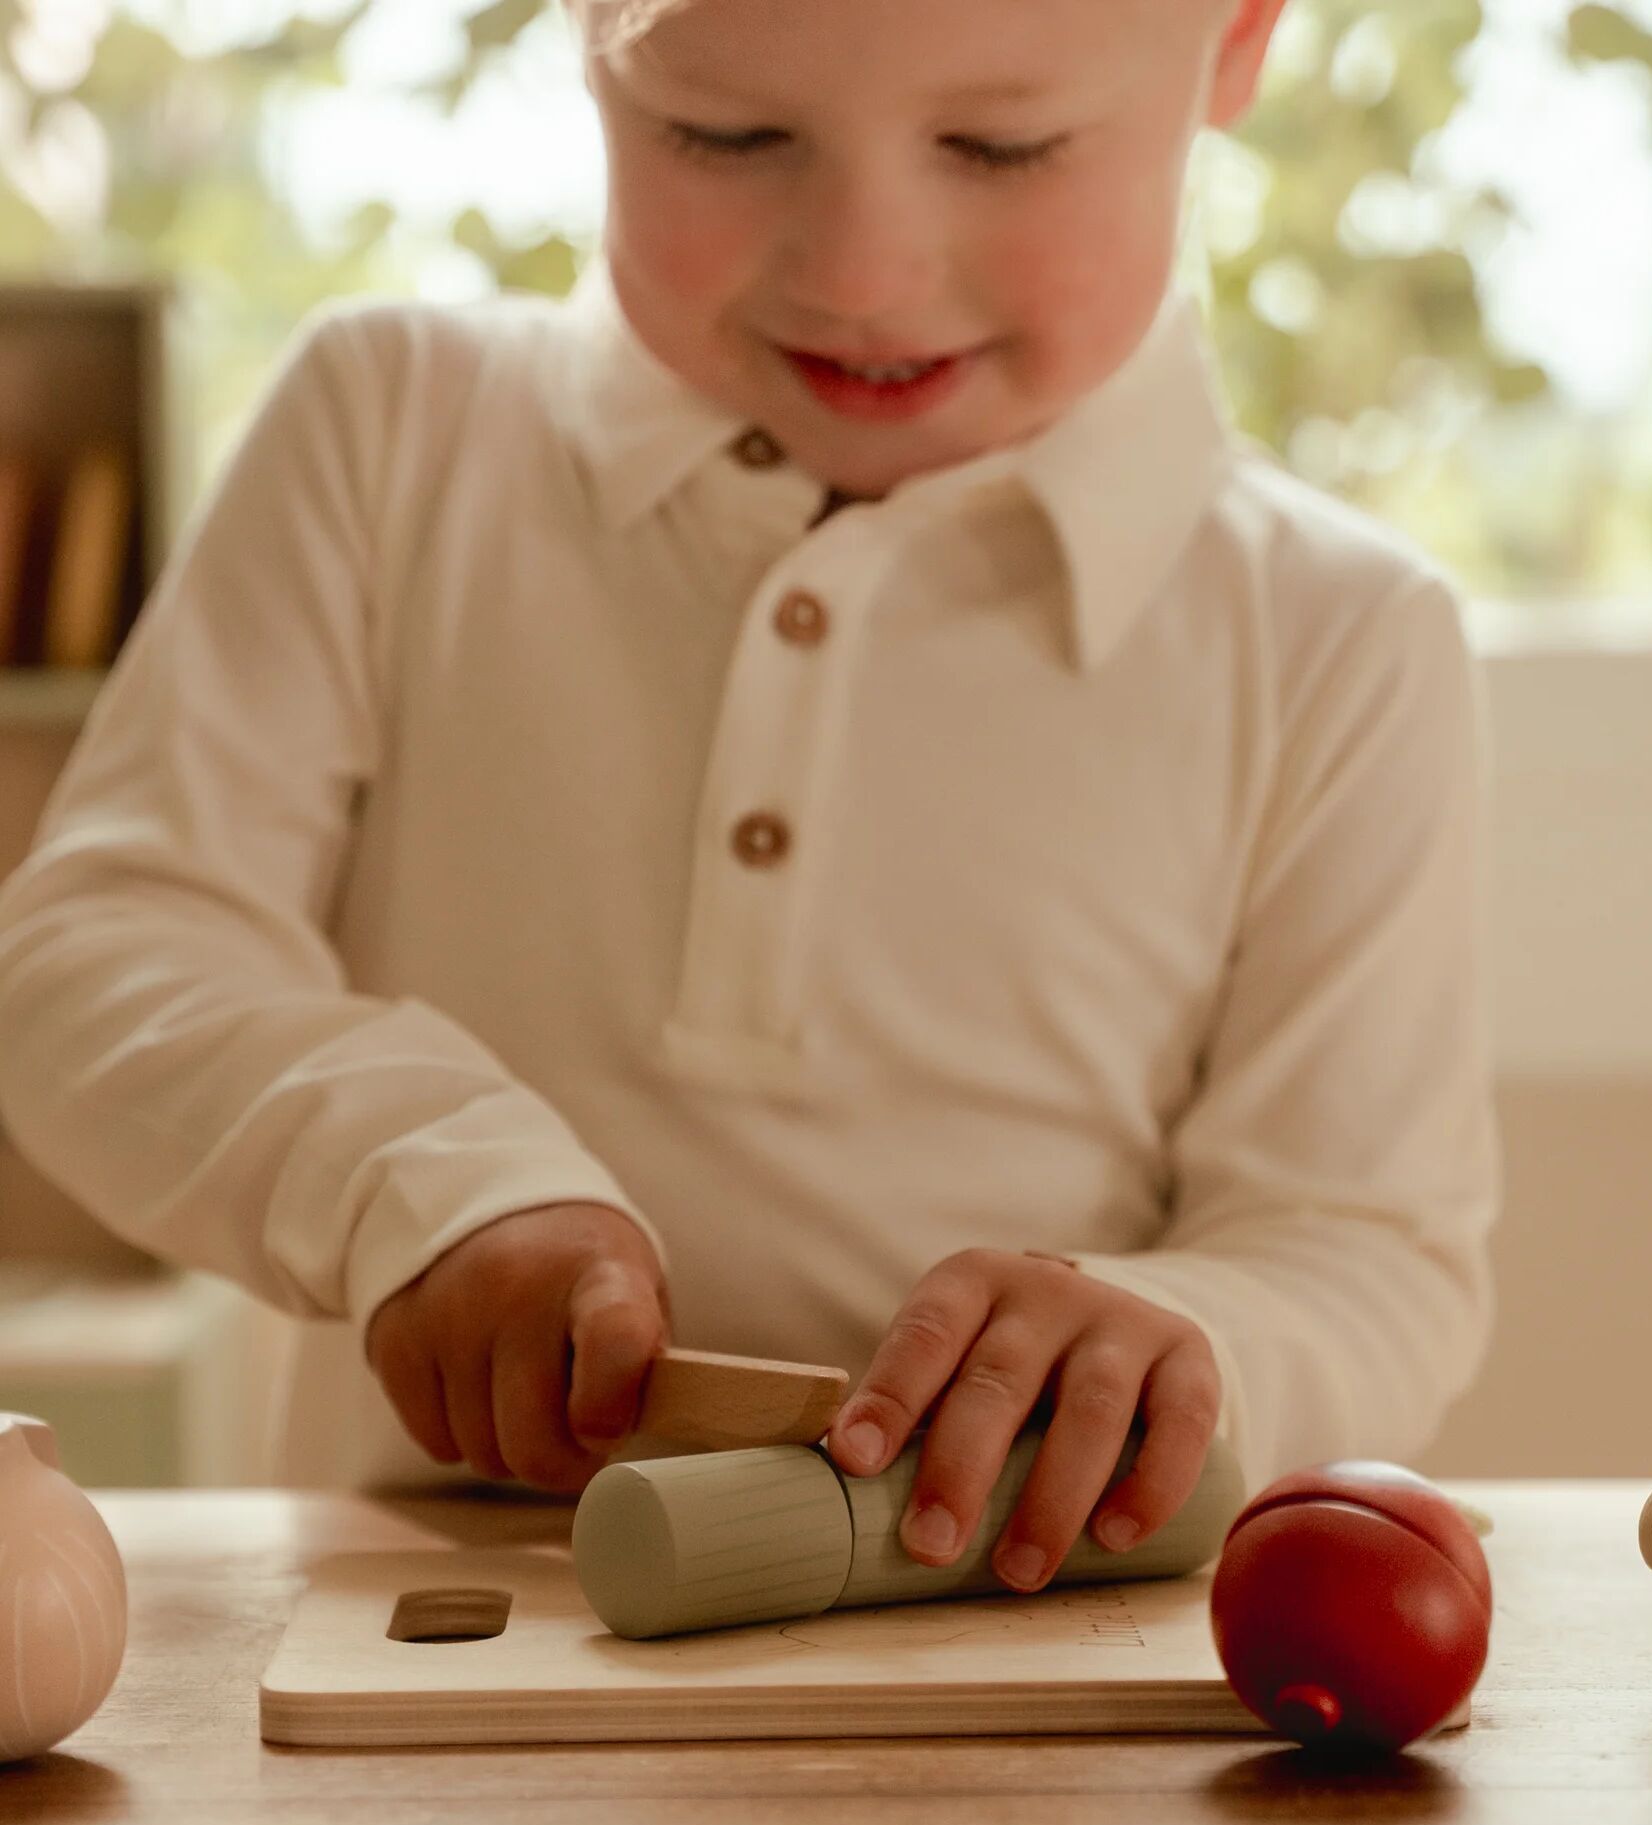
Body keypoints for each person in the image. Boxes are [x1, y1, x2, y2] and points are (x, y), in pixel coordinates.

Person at [0, 0, 1499, 1595]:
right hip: (451, 1630)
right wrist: (417, 1182)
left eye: (1001, 146)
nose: (859, 273)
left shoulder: (1342, 634)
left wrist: (1173, 1349)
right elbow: (100, 955)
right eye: (723, 134)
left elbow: (1367, 1261)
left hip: (1018, 1642)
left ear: (1237, 45)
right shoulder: (391, 432)